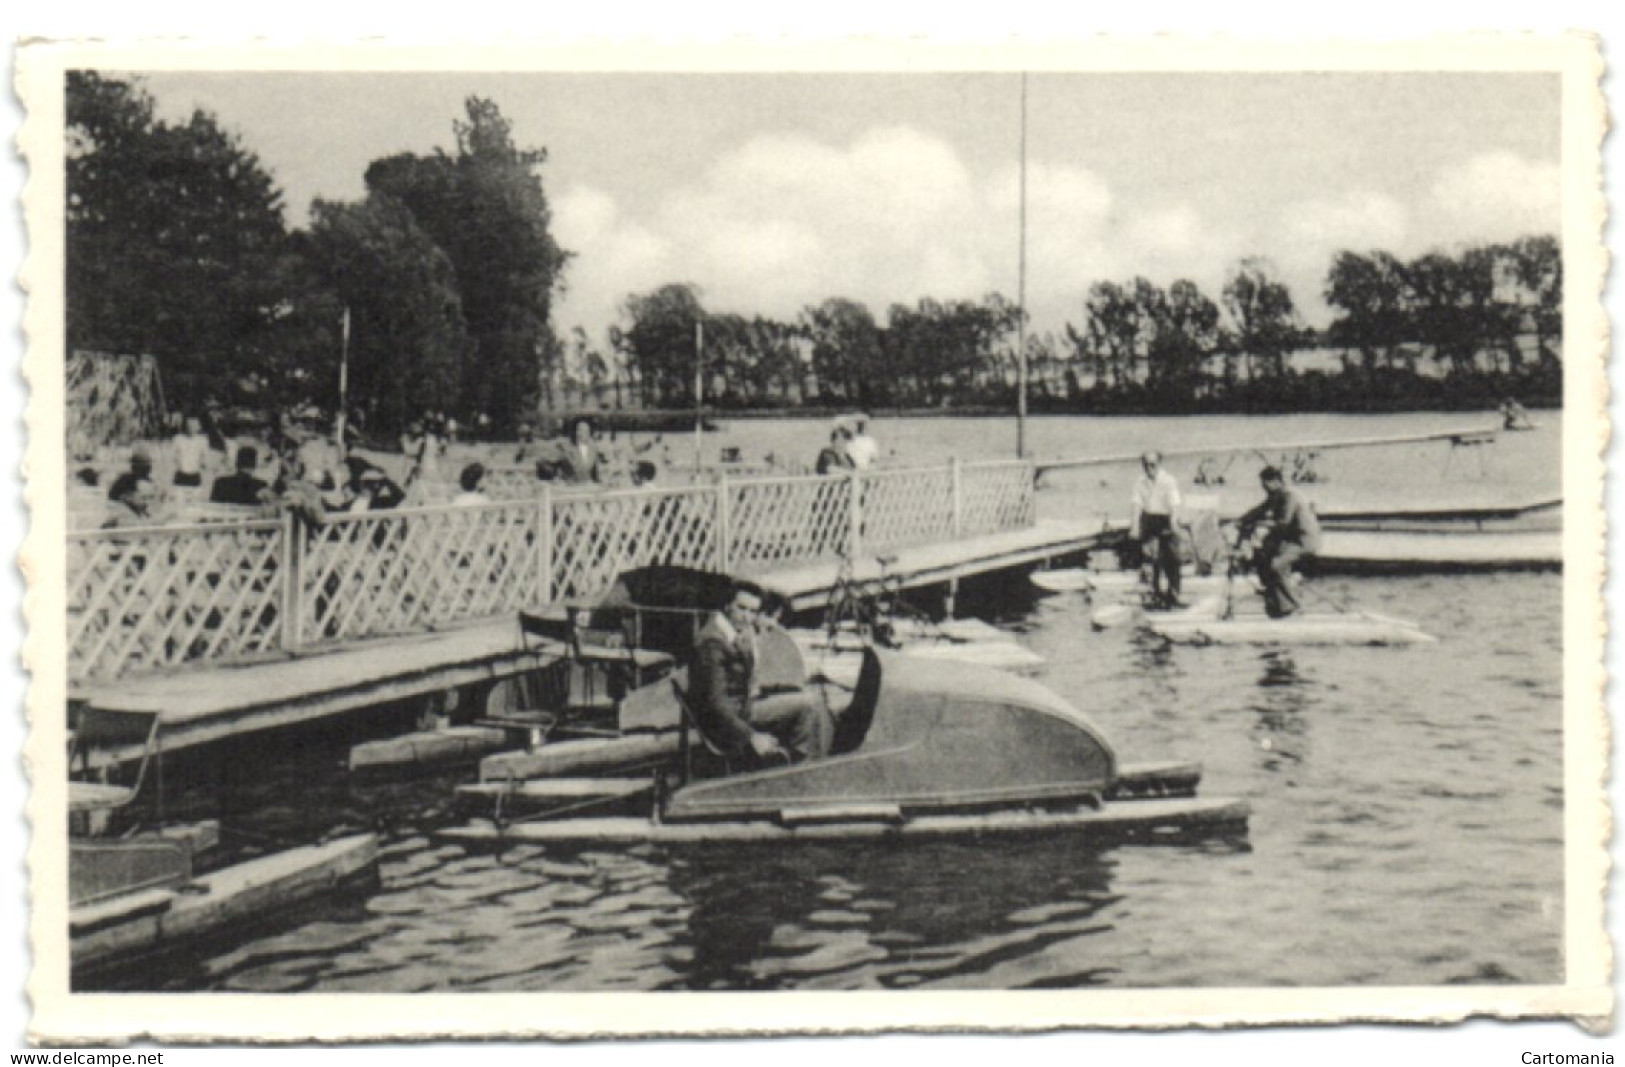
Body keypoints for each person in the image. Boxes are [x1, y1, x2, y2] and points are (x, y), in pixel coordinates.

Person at [690, 584, 832, 765]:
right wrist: (751, 736)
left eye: (752, 611)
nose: (747, 616)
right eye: (741, 608)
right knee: (808, 705)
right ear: (727, 606)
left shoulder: (728, 630)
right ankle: (803, 767)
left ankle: (803, 758)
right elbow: (716, 704)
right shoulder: (712, 643)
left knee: (808, 696)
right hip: (734, 717)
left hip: (743, 705)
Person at [1235, 466, 1323, 619]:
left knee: (1276, 565)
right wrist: (1241, 520)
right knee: (1261, 558)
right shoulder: (1276, 495)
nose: (1263, 487)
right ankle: (1276, 604)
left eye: (1265, 483)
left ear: (1275, 481)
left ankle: (1293, 606)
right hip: (1290, 539)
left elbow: (1283, 523)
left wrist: (1258, 525)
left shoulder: (1289, 496)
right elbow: (1260, 510)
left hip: (1304, 541)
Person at [1130, 450, 1184, 608]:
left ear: (1159, 464)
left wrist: (1174, 523)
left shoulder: (1169, 481)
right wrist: (1134, 526)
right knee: (1151, 557)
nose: (1149, 467)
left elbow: (1175, 504)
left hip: (1165, 519)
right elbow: (1136, 504)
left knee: (1171, 558)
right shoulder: (1139, 482)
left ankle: (1174, 594)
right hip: (1149, 519)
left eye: (1152, 464)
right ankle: (1155, 593)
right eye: (1146, 464)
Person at [105, 450, 160, 525]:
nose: (147, 502)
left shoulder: (147, 482)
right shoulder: (120, 514)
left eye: (150, 498)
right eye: (144, 498)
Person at [556, 415, 603, 485]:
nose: (581, 433)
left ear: (589, 433)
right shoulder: (567, 448)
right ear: (575, 432)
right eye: (579, 430)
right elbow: (565, 470)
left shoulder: (593, 448)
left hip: (589, 486)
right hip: (571, 486)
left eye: (586, 431)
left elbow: (595, 473)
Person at [170, 415, 210, 489]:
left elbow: (205, 457)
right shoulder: (178, 439)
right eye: (189, 425)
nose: (191, 428)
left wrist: (204, 465)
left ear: (199, 427)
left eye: (194, 426)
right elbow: (172, 456)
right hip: (180, 474)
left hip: (195, 475)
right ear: (185, 426)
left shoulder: (203, 440)